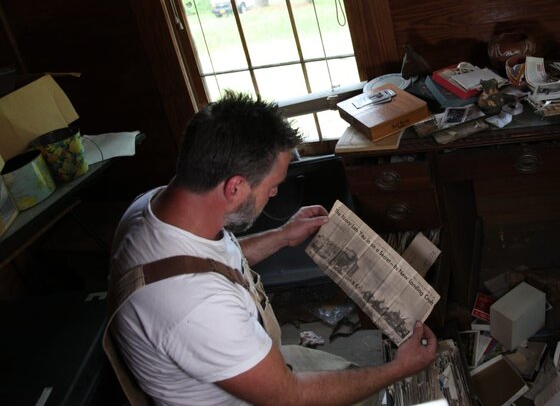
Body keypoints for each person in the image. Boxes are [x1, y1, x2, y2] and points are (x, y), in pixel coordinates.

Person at [107, 92, 437, 405]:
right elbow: (289, 397)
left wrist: (281, 235)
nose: (274, 195)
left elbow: (211, 264)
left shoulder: (155, 207)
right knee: (379, 388)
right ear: (235, 187)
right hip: (261, 395)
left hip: (243, 362)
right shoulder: (195, 307)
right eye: (272, 186)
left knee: (352, 379)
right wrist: (399, 368)